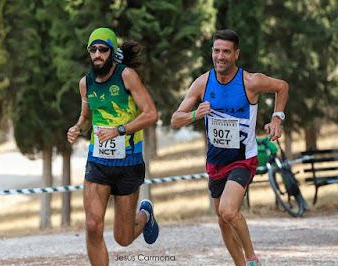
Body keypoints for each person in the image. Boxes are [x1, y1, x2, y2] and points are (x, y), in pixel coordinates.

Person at [171, 29, 289, 266]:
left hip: (243, 159)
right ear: (211, 52)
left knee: (228, 210)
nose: (220, 56)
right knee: (222, 220)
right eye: (216, 51)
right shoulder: (202, 83)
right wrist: (195, 113)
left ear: (236, 54)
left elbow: (282, 86)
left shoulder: (250, 81)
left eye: (226, 51)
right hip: (215, 162)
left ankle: (252, 257)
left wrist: (277, 117)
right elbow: (175, 119)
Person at [67, 27, 159, 266]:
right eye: (93, 49)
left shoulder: (126, 76)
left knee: (124, 238)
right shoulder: (85, 83)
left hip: (129, 162)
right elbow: (87, 117)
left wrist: (120, 130)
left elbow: (151, 114)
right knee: (92, 225)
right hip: (98, 162)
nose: (97, 54)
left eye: (103, 49)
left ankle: (145, 214)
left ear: (111, 51)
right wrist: (77, 127)